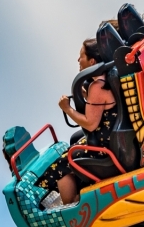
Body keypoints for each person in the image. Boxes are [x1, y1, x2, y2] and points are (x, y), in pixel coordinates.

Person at [37, 38, 117, 206]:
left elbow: (90, 124)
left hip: (105, 146)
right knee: (74, 142)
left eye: (81, 56)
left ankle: (72, 204)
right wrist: (88, 98)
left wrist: (67, 109)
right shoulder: (105, 79)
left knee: (59, 165)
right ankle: (81, 188)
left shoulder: (97, 86)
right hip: (109, 136)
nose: (78, 60)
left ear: (92, 61)